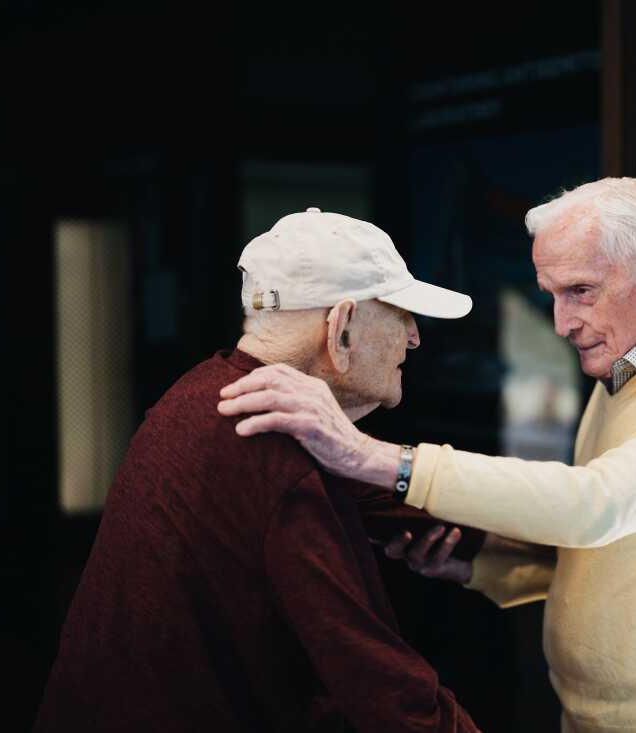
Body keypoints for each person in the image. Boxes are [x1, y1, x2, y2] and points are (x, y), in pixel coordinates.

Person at [219, 179, 636, 733]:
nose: (562, 323)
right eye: (553, 296)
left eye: (581, 291)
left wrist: (373, 459)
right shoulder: (627, 365)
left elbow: (598, 506)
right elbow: (623, 549)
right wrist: (483, 565)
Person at [37, 208, 485, 732]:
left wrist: (529, 533)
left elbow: (394, 498)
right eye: (400, 313)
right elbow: (390, 699)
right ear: (340, 330)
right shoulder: (277, 460)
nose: (414, 338)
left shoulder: (205, 393)